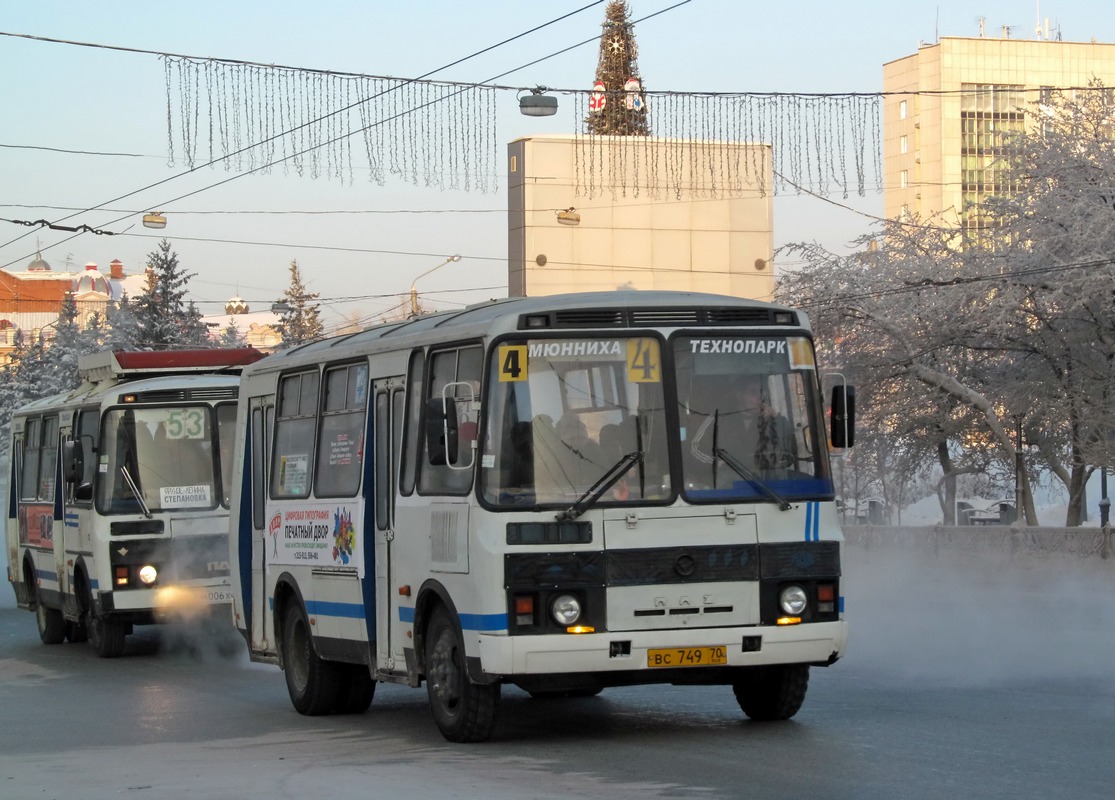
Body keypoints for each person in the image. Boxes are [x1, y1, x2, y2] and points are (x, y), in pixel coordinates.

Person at [689, 376, 796, 476]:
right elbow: (695, 447)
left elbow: (789, 443)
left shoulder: (770, 420)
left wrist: (775, 416)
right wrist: (717, 463)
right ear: (739, 396)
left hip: (765, 479)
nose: (759, 398)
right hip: (728, 479)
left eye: (761, 393)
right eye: (753, 393)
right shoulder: (719, 418)